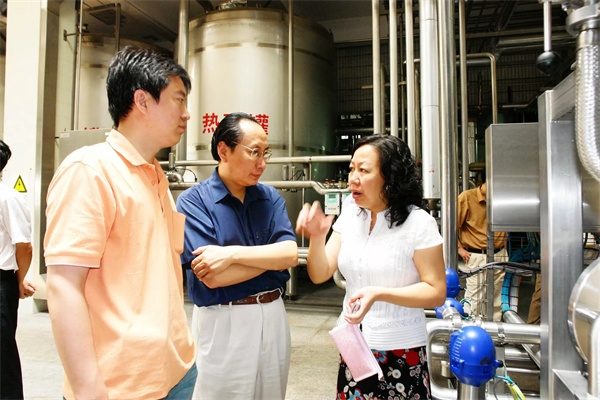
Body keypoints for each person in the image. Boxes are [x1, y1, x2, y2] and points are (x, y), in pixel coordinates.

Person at [44, 46, 196, 400]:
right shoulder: (90, 170)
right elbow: (63, 284)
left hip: (176, 370)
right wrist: (87, 388)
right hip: (119, 384)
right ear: (142, 101)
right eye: (178, 100)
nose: (187, 114)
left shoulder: (155, 175)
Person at [296, 134, 446, 399]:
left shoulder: (419, 223)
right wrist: (317, 237)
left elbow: (436, 291)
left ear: (391, 177)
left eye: (363, 170)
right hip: (354, 345)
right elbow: (320, 273)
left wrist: (378, 294)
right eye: (351, 168)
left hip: (401, 351)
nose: (353, 178)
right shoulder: (351, 212)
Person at [176, 112, 298, 399]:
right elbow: (213, 277)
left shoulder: (269, 197)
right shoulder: (193, 202)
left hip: (273, 316)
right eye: (254, 152)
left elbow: (290, 254)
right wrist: (272, 262)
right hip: (224, 321)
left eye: (265, 153)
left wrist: (231, 254)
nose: (262, 163)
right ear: (223, 150)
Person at [0, 140, 36, 400]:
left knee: (2, 354)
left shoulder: (8, 198)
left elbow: (23, 246)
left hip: (1, 283)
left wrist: (20, 280)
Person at [457, 180, 508, 321]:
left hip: (499, 253)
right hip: (477, 255)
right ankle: (471, 328)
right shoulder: (467, 197)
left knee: (496, 298)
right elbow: (451, 226)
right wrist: (460, 249)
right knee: (475, 298)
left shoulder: (500, 198)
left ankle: (494, 329)